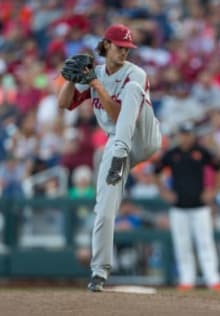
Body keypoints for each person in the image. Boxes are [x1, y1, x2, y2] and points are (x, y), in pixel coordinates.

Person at [57, 24, 162, 292]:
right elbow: (63, 104)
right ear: (106, 45)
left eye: (128, 48)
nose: (124, 52)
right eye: (119, 47)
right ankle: (99, 273)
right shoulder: (96, 74)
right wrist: (70, 79)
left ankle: (119, 153)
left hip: (144, 136)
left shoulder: (135, 73)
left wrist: (94, 84)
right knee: (103, 208)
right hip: (116, 145)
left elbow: (117, 116)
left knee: (133, 91)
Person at [154, 121, 220, 291]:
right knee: (182, 244)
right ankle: (187, 279)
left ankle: (212, 279)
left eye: (188, 134)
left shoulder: (201, 151)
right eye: (183, 134)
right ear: (179, 135)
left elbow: (219, 167)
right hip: (179, 207)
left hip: (200, 206)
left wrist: (214, 191)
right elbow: (156, 173)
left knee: (205, 243)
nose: (186, 138)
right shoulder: (171, 154)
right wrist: (164, 192)